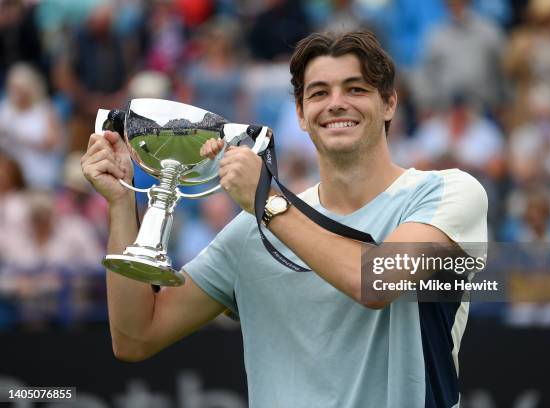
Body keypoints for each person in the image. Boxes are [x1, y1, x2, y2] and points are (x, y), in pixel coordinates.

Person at [81, 30, 487, 407]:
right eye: (319, 93)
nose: (336, 103)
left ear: (389, 103)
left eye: (356, 89)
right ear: (300, 114)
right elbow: (135, 337)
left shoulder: (447, 193)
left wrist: (266, 204)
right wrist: (120, 204)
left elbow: (374, 282)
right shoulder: (250, 230)